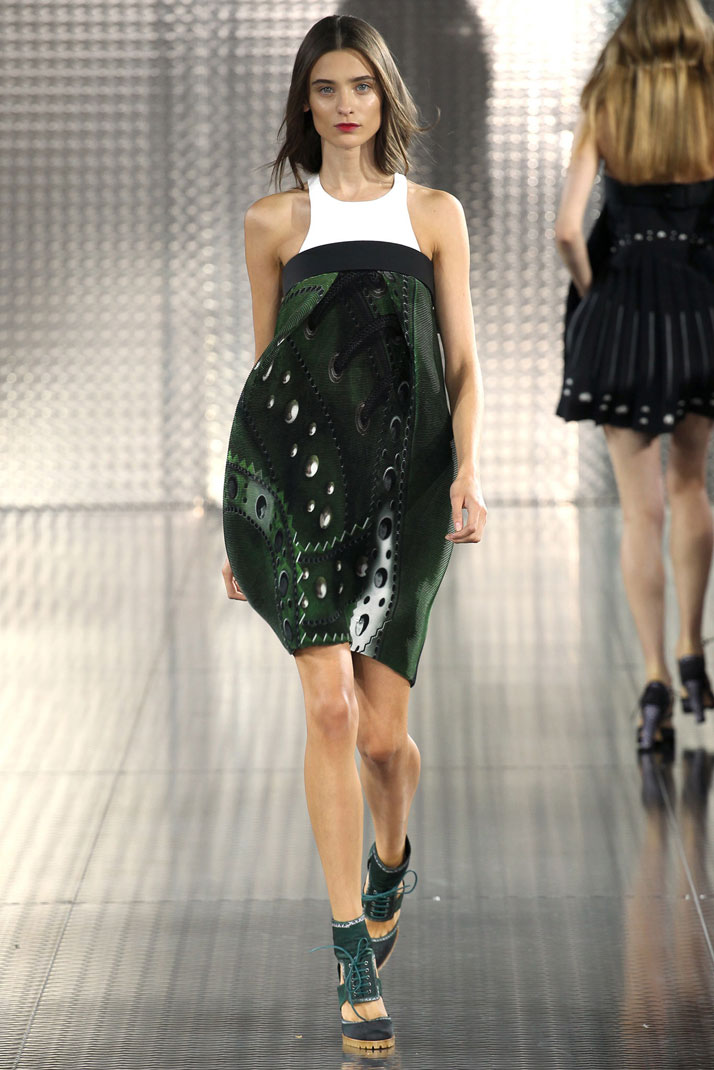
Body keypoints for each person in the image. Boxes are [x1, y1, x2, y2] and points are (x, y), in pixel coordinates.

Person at [220, 14, 486, 1052]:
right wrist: (245, 520)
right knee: (328, 708)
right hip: (301, 486)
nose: (344, 105)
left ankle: (391, 855)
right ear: (306, 101)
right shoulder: (273, 223)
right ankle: (350, 954)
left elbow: (462, 364)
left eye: (361, 86)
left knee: (382, 737)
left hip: (404, 488)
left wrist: (468, 472)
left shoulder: (433, 214)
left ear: (385, 97)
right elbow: (267, 373)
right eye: (326, 87)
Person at [555, 0, 714, 752]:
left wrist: (598, 294)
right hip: (700, 314)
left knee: (639, 510)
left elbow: (567, 229)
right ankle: (691, 653)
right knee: (691, 487)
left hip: (622, 317)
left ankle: (651, 681)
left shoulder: (608, 99)